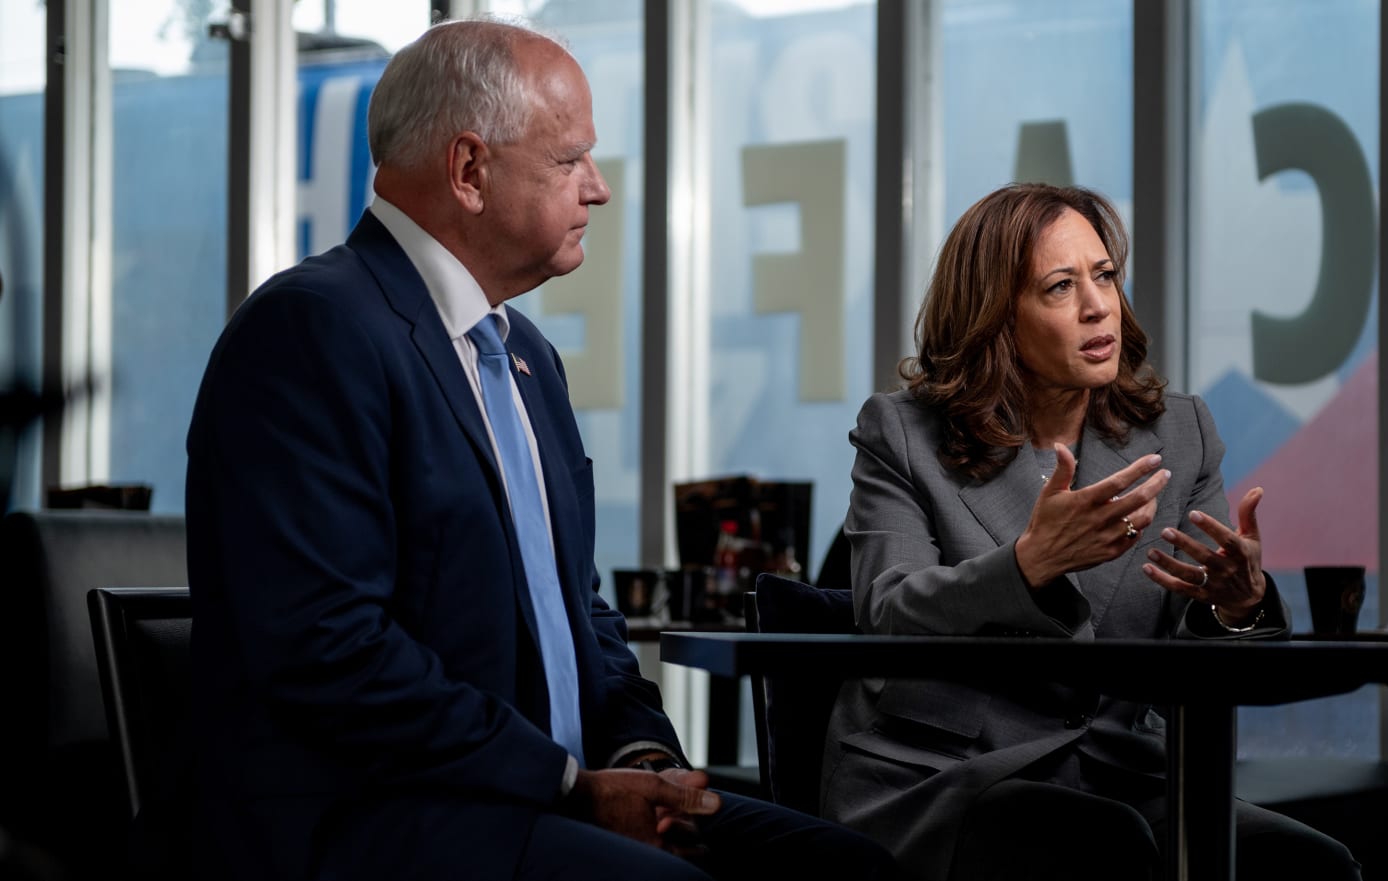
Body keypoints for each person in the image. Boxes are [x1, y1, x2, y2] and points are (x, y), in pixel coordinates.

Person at [185, 19, 899, 881]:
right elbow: (330, 647)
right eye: (570, 160)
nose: (597, 188)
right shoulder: (310, 330)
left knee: (855, 869)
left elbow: (577, 609)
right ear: (469, 171)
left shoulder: (525, 356)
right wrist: (570, 787)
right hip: (381, 816)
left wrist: (639, 763)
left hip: (537, 798)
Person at [817, 183, 1360, 881]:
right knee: (1103, 848)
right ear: (997, 319)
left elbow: (1195, 646)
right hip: (945, 777)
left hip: (1120, 770)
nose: (1099, 304)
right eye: (1059, 286)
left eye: (1103, 275)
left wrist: (1235, 603)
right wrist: (1026, 566)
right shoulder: (903, 433)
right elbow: (887, 610)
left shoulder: (1181, 434)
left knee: (1311, 865)